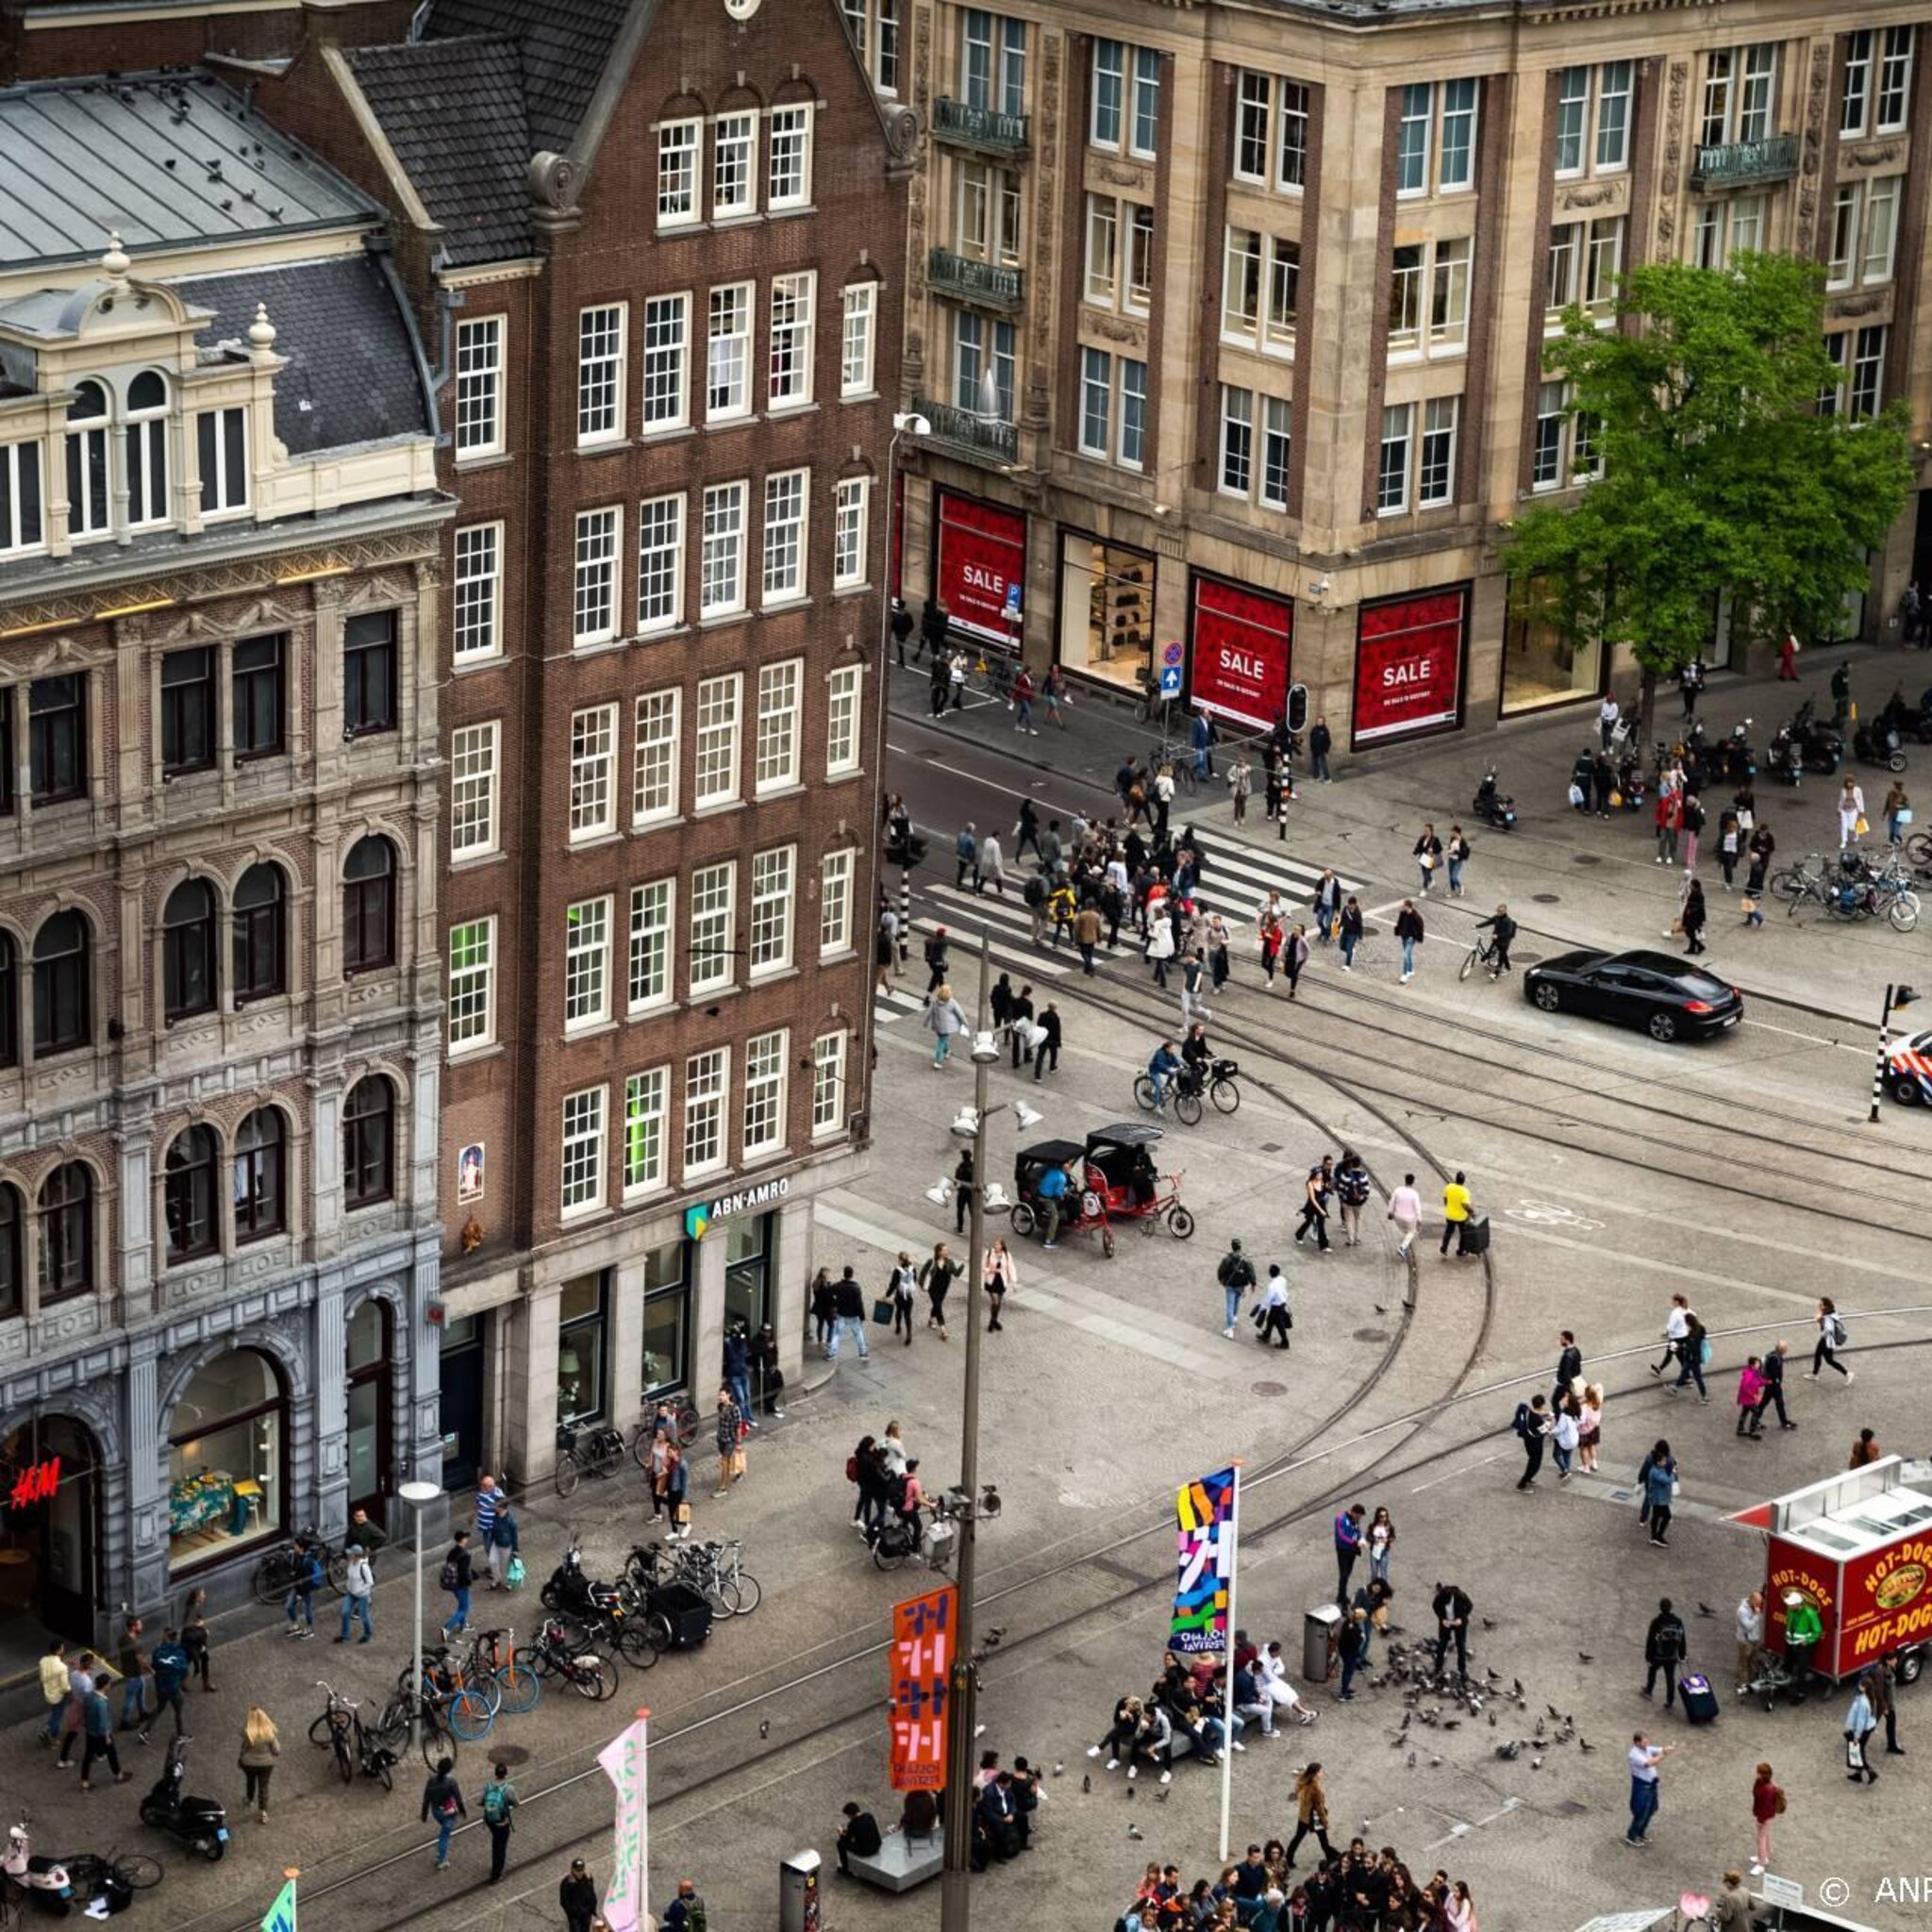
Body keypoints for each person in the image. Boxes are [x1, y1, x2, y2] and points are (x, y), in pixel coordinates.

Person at [75, 1674, 129, 1791]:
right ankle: (118, 1775)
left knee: (88, 1756)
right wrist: (107, 1737)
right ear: (105, 1685)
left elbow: (85, 1712)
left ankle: (85, 1782)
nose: (110, 1685)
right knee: (112, 1753)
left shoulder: (89, 1697)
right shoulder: (101, 1703)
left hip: (90, 1731)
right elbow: (103, 1722)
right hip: (101, 1734)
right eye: (109, 1683)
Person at [143, 1627, 191, 1745]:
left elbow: (154, 1666)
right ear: (176, 1638)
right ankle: (181, 1735)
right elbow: (184, 1670)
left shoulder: (157, 1651)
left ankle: (145, 1732)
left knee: (159, 1707)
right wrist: (182, 1682)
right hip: (173, 1687)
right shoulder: (179, 1652)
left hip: (161, 1686)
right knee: (178, 1711)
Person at [1624, 1733, 1673, 1846]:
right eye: (1644, 1742)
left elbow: (1659, 1749)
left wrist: (1668, 1748)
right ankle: (1632, 1836)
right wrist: (1663, 1755)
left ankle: (1640, 1833)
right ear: (1637, 1743)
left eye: (1647, 1741)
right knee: (1641, 1812)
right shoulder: (1634, 1754)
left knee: (1651, 1809)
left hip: (1651, 1785)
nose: (1647, 1744)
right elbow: (1649, 1763)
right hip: (1642, 1786)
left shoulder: (1646, 1748)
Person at [1642, 1598, 1689, 1712]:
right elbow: (1682, 1639)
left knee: (1652, 1671)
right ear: (1671, 1607)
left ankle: (1649, 1691)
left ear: (1660, 1608)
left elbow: (1651, 1640)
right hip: (1672, 1656)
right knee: (1670, 1678)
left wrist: (1648, 1655)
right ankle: (1670, 1701)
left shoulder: (1657, 1622)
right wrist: (1682, 1654)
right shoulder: (1678, 1621)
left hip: (1658, 1655)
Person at [1286, 1764, 1336, 1868]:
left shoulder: (1304, 1782)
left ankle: (1289, 1857)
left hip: (1303, 1816)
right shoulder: (1315, 1788)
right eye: (1321, 1772)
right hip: (1314, 1817)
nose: (1323, 1773)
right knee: (1323, 1840)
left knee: (1298, 1838)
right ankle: (1332, 1856)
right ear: (1315, 1774)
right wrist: (1325, 1822)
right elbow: (1319, 1808)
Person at [423, 1755, 465, 1869]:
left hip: (436, 1811)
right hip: (449, 1812)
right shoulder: (451, 1782)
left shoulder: (431, 1781)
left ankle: (441, 1855)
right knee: (444, 1836)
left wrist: (424, 1814)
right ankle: (441, 1860)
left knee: (444, 1833)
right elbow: (458, 1799)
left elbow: (426, 1798)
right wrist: (462, 1811)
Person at [239, 1706, 278, 1823]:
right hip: (266, 1764)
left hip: (249, 1763)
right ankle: (263, 1812)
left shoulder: (247, 1733)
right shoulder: (269, 1733)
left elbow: (243, 1746)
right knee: (263, 1786)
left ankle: (249, 1799)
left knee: (250, 1780)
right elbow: (276, 1749)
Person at [480, 1759, 518, 1882]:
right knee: (501, 1846)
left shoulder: (487, 1786)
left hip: (490, 1820)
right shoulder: (509, 1789)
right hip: (502, 1821)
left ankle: (495, 1867)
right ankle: (497, 1873)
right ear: (505, 1774)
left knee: (496, 1842)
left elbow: (481, 1801)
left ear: (495, 1773)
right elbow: (516, 1804)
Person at [1431, 1581, 1473, 1684]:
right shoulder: (1440, 1597)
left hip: (1459, 1624)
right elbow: (1435, 1607)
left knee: (1461, 1645)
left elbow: (1470, 1606)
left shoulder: (1460, 1595)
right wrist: (1442, 1619)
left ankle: (1462, 1670)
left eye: (1447, 1603)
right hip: (1446, 1623)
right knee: (1442, 1644)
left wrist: (1461, 1618)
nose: (1446, 1605)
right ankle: (1438, 1668)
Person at [283, 1532, 323, 1639]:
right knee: (289, 1606)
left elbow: (307, 1580)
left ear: (301, 1548)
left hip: (305, 1589)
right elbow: (295, 1572)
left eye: (296, 1545)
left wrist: (300, 1593)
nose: (294, 1546)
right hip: (297, 1586)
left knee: (306, 1608)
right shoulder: (297, 1555)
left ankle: (309, 1629)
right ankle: (296, 1625)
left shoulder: (307, 1561)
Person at [1640, 1441, 1677, 1548]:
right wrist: (1674, 1473)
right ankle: (1658, 1536)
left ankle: (1654, 1536)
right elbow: (1667, 1480)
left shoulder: (1655, 1469)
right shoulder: (1657, 1472)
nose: (1665, 1462)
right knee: (1667, 1516)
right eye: (1663, 1461)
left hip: (1656, 1497)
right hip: (1659, 1499)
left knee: (1656, 1516)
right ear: (1658, 1462)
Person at [828, 1266, 869, 1362]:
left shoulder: (838, 1285)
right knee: (858, 1333)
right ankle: (863, 1352)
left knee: (837, 1334)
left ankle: (831, 1353)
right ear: (852, 1274)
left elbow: (829, 1292)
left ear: (844, 1274)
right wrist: (862, 1316)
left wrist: (835, 1304)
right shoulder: (855, 1288)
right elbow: (859, 1304)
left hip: (841, 1314)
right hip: (853, 1315)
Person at [1754, 1339, 1796, 1430]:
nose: (1787, 1349)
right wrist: (1777, 1383)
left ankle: (1755, 1419)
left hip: (1770, 1384)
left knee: (1764, 1402)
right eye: (1786, 1348)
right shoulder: (1775, 1358)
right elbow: (1773, 1373)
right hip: (1773, 1385)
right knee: (1778, 1403)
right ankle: (1784, 1422)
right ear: (1782, 1349)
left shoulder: (1774, 1354)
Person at [921, 1241, 963, 1334]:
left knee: (937, 1306)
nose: (947, 1251)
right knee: (938, 1306)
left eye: (947, 1250)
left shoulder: (950, 1262)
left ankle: (930, 1321)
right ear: (939, 1252)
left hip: (943, 1289)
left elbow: (957, 1274)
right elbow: (923, 1273)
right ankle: (943, 1329)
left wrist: (963, 1263)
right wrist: (922, 1285)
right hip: (933, 1288)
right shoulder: (931, 1262)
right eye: (944, 1250)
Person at [1217, 1239, 1256, 1339]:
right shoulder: (1245, 1259)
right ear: (1240, 1247)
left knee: (1229, 1306)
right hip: (1241, 1285)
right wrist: (1253, 1284)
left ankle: (1230, 1328)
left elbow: (1221, 1271)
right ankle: (1234, 1318)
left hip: (1230, 1285)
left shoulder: (1227, 1259)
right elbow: (1251, 1271)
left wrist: (1221, 1280)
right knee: (1236, 1302)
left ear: (1232, 1246)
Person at [1809, 1296, 1853, 1383]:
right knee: (1818, 1355)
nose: (1819, 1306)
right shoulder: (1832, 1312)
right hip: (1827, 1340)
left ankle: (1847, 1373)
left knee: (1829, 1360)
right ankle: (1814, 1374)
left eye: (1821, 1304)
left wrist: (1822, 1333)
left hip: (1827, 1340)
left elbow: (1828, 1329)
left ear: (1825, 1306)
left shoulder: (1827, 1316)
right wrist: (1820, 1320)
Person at [338, 1543, 375, 1643]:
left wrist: (361, 1590)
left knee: (364, 1615)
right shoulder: (351, 1563)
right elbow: (350, 1576)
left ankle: (368, 1635)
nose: (349, 1555)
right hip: (350, 1593)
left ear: (356, 1555)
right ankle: (345, 1636)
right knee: (345, 1612)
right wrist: (348, 1585)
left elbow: (370, 1582)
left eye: (351, 1554)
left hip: (362, 1595)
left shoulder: (364, 1566)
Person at [925, 981, 968, 1070]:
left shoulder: (935, 1001)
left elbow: (929, 1013)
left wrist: (925, 1022)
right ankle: (938, 1061)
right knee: (941, 1042)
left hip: (937, 1025)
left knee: (942, 1039)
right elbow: (960, 1013)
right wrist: (965, 1022)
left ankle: (947, 1050)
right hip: (947, 1027)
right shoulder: (951, 1002)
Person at [714, 1387, 747, 1496]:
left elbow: (738, 1426)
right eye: (719, 1395)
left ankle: (723, 1487)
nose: (720, 1397)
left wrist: (738, 1443)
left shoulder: (734, 1409)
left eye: (722, 1395)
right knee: (728, 1460)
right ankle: (740, 1471)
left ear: (728, 1395)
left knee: (725, 1462)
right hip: (721, 1439)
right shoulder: (720, 1406)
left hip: (730, 1440)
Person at [441, 1530, 474, 1638]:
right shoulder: (465, 1555)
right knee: (464, 1609)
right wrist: (469, 1581)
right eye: (466, 1537)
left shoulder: (452, 1552)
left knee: (462, 1605)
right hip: (462, 1585)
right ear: (463, 1540)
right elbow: (464, 1572)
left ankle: (463, 1625)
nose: (467, 1539)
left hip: (453, 1584)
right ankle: (447, 1628)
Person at [1513, 1394, 1550, 1491]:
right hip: (1535, 1443)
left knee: (1532, 1459)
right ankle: (1522, 1484)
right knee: (1535, 1464)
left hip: (1528, 1440)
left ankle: (1528, 1479)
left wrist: (1543, 1415)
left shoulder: (1528, 1410)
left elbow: (1536, 1416)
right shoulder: (1538, 1419)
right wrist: (1548, 1421)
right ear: (1542, 1405)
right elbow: (1545, 1431)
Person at [1846, 1679, 1879, 1784]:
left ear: (1864, 1688)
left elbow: (1860, 1721)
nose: (1859, 1686)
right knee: (1859, 1751)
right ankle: (1858, 1774)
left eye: (1860, 1685)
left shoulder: (1862, 1702)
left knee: (1858, 1752)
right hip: (1868, 1729)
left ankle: (1870, 1772)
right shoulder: (1871, 1698)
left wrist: (1856, 1736)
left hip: (1861, 1731)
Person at [1295, 1159, 1333, 1254]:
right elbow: (1312, 1199)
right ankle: (1299, 1235)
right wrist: (1321, 1210)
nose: (1321, 1175)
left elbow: (1326, 1189)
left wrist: (1330, 1187)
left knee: (1321, 1225)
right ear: (1315, 1175)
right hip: (1312, 1205)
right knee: (1309, 1221)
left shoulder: (1321, 1182)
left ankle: (1324, 1246)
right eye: (1319, 1174)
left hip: (1321, 1204)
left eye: (1321, 1174)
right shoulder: (1310, 1184)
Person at [837, 1800, 883, 1875]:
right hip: (876, 1846)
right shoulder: (869, 1816)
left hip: (865, 1851)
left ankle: (845, 1869)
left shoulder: (853, 1824)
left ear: (851, 1815)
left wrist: (841, 1833)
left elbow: (847, 1839)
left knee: (840, 1844)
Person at [1334, 1152, 1371, 1246]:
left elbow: (1341, 1188)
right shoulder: (1364, 1175)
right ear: (1360, 1164)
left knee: (1349, 1220)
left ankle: (1350, 1240)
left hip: (1347, 1202)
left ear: (1351, 1164)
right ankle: (1357, 1239)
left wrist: (1342, 1199)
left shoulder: (1345, 1175)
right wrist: (1364, 1198)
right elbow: (1367, 1190)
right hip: (1359, 1202)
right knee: (1358, 1219)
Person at [38, 1639, 70, 1745]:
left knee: (54, 1713)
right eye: (62, 1647)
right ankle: (53, 1737)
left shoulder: (43, 1660)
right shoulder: (62, 1667)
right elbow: (65, 1687)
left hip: (48, 1693)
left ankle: (46, 1729)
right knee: (57, 1716)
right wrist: (70, 1688)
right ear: (59, 1650)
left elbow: (42, 1678)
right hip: (59, 1696)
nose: (63, 1649)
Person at [1333, 1504, 1366, 1606]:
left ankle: (1341, 1595)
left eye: (1360, 1517)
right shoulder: (1340, 1519)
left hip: (1352, 1550)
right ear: (1352, 1512)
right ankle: (1341, 1597)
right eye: (1358, 1516)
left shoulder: (1354, 1520)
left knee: (1348, 1573)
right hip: (1343, 1550)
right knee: (1343, 1574)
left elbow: (1357, 1530)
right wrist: (1353, 1542)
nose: (1358, 1519)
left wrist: (1361, 1538)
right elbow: (1340, 1535)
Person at [1735, 1591, 1765, 1696]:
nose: (1759, 1606)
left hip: (1754, 1639)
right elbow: (1748, 1626)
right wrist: (1756, 1615)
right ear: (1751, 1600)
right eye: (1757, 1603)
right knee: (1743, 1663)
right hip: (1745, 1641)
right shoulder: (1742, 1611)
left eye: (1760, 1603)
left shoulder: (1755, 1607)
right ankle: (1742, 1684)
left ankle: (1752, 1682)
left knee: (1753, 1662)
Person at [984, 1239, 1017, 1332]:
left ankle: (993, 1320)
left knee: (999, 1303)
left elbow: (1011, 1268)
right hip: (991, 1280)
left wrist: (1014, 1282)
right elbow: (983, 1266)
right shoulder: (989, 1253)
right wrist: (991, 1270)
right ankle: (992, 1322)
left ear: (1002, 1245)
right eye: (995, 1244)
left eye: (997, 1244)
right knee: (994, 1302)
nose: (995, 1246)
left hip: (1002, 1280)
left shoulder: (1006, 1255)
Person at [561, 1859, 602, 1932]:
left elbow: (591, 1893)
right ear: (572, 1870)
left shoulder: (588, 1879)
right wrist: (573, 1913)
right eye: (578, 1871)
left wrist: (592, 1909)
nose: (580, 1873)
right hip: (576, 1917)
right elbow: (564, 1901)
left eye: (581, 1870)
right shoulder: (567, 1883)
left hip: (587, 1914)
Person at [1256, 1265, 1291, 1349]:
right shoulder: (1282, 1279)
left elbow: (1269, 1298)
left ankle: (1285, 1342)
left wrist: (1262, 1307)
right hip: (1282, 1303)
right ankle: (1266, 1335)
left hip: (1276, 1306)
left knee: (1279, 1324)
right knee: (1270, 1319)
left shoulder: (1272, 1286)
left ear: (1270, 1274)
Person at [1387, 1174, 1422, 1257]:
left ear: (1405, 1180)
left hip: (1397, 1217)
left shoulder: (1397, 1190)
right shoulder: (1414, 1194)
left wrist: (1390, 1212)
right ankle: (1402, 1248)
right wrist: (1419, 1221)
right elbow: (1417, 1208)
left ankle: (1405, 1238)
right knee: (1412, 1232)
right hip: (1408, 1219)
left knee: (1406, 1230)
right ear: (1413, 1182)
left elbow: (1392, 1202)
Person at [1475, 905, 1515, 974]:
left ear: (1505, 911)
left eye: (1500, 911)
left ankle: (1499, 971)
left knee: (1502, 956)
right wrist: (1477, 926)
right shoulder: (1496, 918)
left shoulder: (1508, 921)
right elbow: (1488, 922)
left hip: (1504, 942)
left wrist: (1498, 935)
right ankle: (1486, 959)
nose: (1498, 912)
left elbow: (1508, 933)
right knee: (1491, 951)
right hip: (1496, 940)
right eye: (1497, 910)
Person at [1440, 1171, 1472, 1257]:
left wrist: (1448, 1207)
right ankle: (1460, 1251)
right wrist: (1470, 1211)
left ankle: (1444, 1248)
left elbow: (1445, 1199)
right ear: (1464, 1181)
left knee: (1449, 1231)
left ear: (1455, 1179)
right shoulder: (1465, 1191)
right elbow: (1465, 1204)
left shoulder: (1449, 1187)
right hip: (1461, 1217)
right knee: (1463, 1234)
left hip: (1449, 1215)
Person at [1394, 899, 1424, 983]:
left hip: (1411, 939)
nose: (1401, 907)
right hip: (1404, 937)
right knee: (1408, 954)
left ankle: (1404, 975)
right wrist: (1399, 932)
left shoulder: (1416, 917)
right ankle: (1410, 970)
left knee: (1405, 955)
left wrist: (1414, 937)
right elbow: (1399, 923)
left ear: (1407, 907)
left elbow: (1420, 928)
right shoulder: (1402, 914)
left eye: (1403, 906)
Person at [1033, 1000, 1062, 1082]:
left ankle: (1037, 1076)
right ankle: (1052, 1067)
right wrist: (1058, 1042)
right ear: (1055, 1008)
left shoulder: (1042, 1015)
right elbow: (1057, 1031)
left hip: (1043, 1038)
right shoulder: (1056, 1018)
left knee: (1040, 1057)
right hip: (1052, 1040)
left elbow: (1038, 1025)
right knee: (1054, 1054)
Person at [1680, 874, 1707, 957]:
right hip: (1691, 916)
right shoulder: (1694, 892)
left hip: (1694, 917)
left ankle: (1700, 946)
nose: (1690, 886)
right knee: (1690, 932)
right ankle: (1692, 948)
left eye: (1691, 885)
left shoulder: (1699, 894)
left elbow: (1700, 906)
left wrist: (1691, 911)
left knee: (1689, 932)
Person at [1413, 824, 1442, 894]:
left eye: (1427, 830)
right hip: (1423, 858)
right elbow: (1419, 846)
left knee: (1426, 873)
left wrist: (1433, 850)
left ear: (1431, 831)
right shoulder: (1422, 838)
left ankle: (1424, 889)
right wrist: (1415, 852)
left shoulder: (1435, 839)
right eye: (1425, 830)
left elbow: (1439, 848)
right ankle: (1432, 882)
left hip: (1431, 859)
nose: (1425, 831)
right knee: (1424, 873)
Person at [1839, 774, 1866, 848]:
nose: (1850, 784)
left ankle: (1855, 835)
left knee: (1851, 827)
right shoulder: (1843, 790)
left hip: (1853, 810)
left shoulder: (1858, 790)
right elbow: (1841, 800)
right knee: (1844, 826)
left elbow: (1861, 800)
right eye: (1848, 782)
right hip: (1844, 810)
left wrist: (1862, 810)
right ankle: (1844, 841)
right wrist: (1839, 809)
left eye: (1851, 782)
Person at [1338, 895, 1364, 971]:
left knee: (1349, 948)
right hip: (1345, 931)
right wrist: (1338, 928)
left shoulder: (1357, 913)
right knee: (1342, 946)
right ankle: (1351, 952)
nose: (1350, 906)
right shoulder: (1345, 909)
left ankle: (1347, 965)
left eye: (1352, 905)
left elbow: (1360, 925)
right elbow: (1342, 919)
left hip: (1353, 933)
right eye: (1349, 905)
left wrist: (1360, 936)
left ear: (1355, 905)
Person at [1444, 824, 1471, 896]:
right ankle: (1452, 890)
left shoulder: (1463, 841)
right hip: (1451, 859)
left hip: (1458, 861)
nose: (1452, 833)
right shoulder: (1452, 839)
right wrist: (1449, 851)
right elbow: (1451, 847)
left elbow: (1463, 853)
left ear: (1457, 832)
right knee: (1450, 876)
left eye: (1453, 832)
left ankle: (1461, 887)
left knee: (1454, 877)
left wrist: (1454, 852)